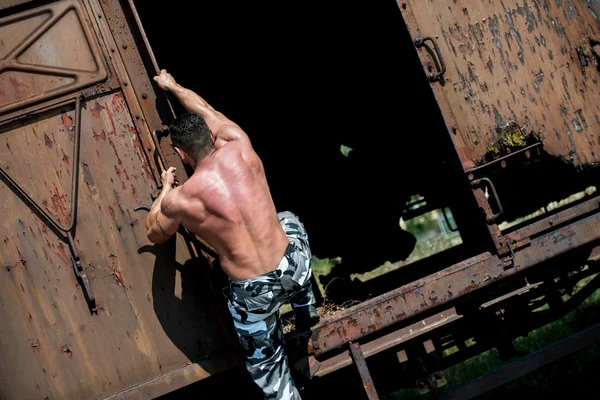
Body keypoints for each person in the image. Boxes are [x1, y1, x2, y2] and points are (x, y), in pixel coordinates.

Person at [145, 69, 320, 399]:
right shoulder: (240, 144)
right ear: (212, 136)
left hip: (255, 296)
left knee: (267, 362)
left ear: (182, 154)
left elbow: (155, 233)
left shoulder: (183, 200)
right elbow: (206, 110)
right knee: (287, 219)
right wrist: (171, 86)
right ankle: (304, 306)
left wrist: (165, 190)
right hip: (294, 268)